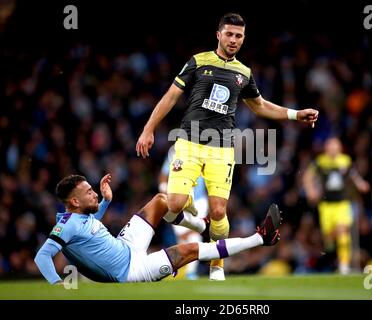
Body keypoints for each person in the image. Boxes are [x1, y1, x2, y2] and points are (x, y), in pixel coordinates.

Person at [135, 12, 318, 280]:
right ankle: (199, 224)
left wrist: (295, 113)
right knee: (173, 205)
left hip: (222, 148)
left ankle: (216, 266)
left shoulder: (244, 73)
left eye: (239, 36)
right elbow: (172, 95)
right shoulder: (198, 61)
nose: (233, 40)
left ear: (243, 39)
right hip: (188, 142)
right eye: (229, 34)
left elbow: (260, 106)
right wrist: (148, 128)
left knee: (219, 210)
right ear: (218, 34)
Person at [34, 174, 281, 284]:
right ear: (74, 202)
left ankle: (201, 224)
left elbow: (89, 225)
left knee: (162, 201)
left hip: (127, 245)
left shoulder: (77, 219)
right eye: (88, 191)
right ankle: (261, 238)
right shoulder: (64, 227)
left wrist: (106, 201)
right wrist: (57, 284)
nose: (93, 192)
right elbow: (42, 255)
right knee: (190, 250)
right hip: (129, 271)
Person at [303, 137, 370, 274]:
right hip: (326, 205)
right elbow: (307, 176)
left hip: (342, 204)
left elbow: (353, 175)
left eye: (336, 146)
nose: (333, 149)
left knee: (343, 231)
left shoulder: (345, 160)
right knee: (329, 239)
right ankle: (333, 252)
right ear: (326, 148)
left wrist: (360, 184)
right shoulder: (320, 161)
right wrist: (310, 190)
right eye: (331, 146)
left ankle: (344, 266)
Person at [159, 146, 209, 279]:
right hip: (178, 200)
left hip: (199, 201)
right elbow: (163, 176)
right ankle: (185, 270)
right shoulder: (175, 151)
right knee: (183, 238)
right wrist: (165, 191)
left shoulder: (203, 150)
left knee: (194, 234)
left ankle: (191, 272)